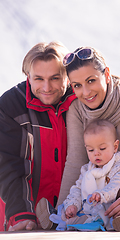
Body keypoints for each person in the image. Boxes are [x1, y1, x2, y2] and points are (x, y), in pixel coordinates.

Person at [56, 46, 120, 231]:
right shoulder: (77, 112)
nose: (86, 92)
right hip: (102, 197)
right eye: (77, 85)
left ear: (107, 75)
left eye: (91, 81)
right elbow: (74, 163)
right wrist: (62, 210)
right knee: (76, 214)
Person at [0, 41, 76, 231]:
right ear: (28, 77)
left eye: (55, 78)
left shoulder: (82, 97)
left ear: (67, 76)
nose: (47, 87)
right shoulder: (11, 105)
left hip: (72, 215)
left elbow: (113, 91)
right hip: (23, 215)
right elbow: (8, 164)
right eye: (39, 78)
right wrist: (20, 214)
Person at [61, 119, 120, 231]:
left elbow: (117, 184)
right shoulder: (87, 170)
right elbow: (78, 189)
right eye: (90, 150)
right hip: (93, 211)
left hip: (116, 206)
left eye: (102, 148)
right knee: (65, 210)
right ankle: (54, 218)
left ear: (115, 147)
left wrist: (102, 194)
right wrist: (72, 205)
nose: (96, 153)